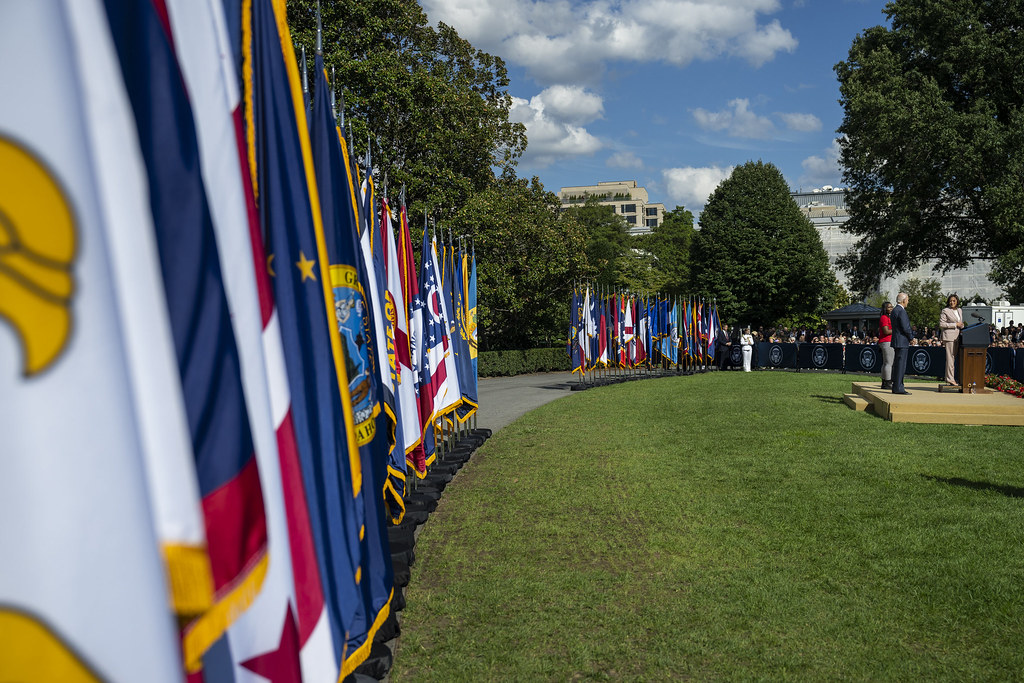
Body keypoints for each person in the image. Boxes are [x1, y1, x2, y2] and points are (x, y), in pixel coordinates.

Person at [890, 292, 913, 394]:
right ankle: (898, 387)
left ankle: (896, 386)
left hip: (897, 340)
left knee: (897, 365)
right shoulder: (901, 311)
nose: (908, 301)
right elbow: (905, 327)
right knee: (900, 365)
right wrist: (911, 337)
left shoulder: (895, 310)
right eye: (907, 299)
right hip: (902, 341)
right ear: (904, 300)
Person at [939, 294, 964, 386]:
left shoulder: (960, 310)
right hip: (949, 337)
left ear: (957, 301)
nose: (952, 302)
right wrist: (955, 325)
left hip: (958, 336)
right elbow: (942, 324)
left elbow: (960, 322)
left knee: (954, 358)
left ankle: (950, 377)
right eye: (950, 301)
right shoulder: (945, 310)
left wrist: (961, 325)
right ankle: (950, 378)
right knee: (950, 358)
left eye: (954, 300)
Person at [878, 302, 894, 389]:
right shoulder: (884, 318)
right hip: (887, 341)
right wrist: (896, 329)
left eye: (892, 307)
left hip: (886, 341)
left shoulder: (887, 317)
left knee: (886, 363)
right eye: (889, 307)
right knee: (889, 363)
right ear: (885, 308)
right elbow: (886, 331)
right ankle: (888, 382)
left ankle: (884, 382)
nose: (891, 308)